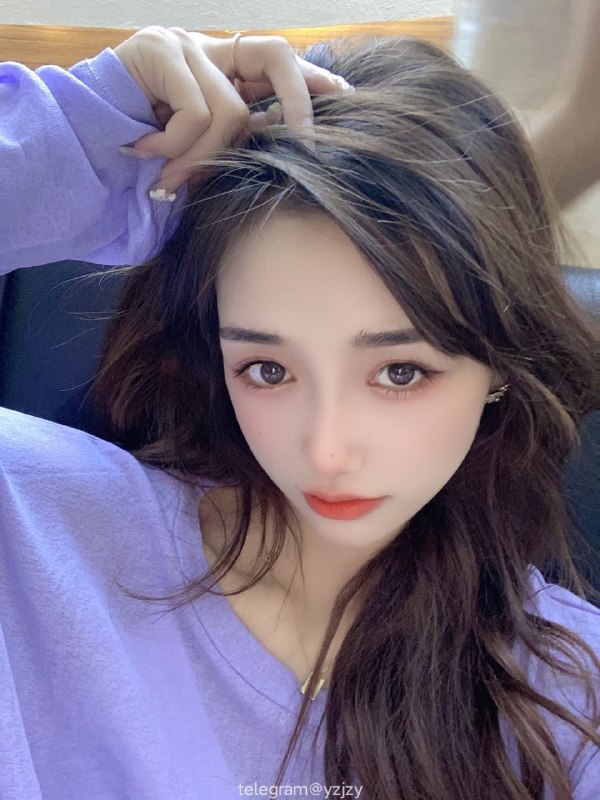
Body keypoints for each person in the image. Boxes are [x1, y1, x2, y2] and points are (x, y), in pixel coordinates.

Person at [0, 26, 599, 800]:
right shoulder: (35, 530)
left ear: (499, 364)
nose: (325, 450)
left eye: (400, 372)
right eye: (268, 369)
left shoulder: (570, 702)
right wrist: (73, 130)